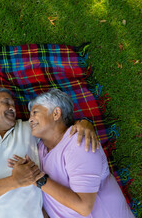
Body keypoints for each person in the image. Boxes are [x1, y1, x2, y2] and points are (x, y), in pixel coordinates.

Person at [0, 87, 98, 218]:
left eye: (13, 105)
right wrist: (14, 181)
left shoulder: (29, 129)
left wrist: (84, 123)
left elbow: (57, 127)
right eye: (6, 102)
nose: (13, 108)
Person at [9, 88, 134, 217]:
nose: (30, 119)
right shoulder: (39, 149)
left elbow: (84, 207)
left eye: (35, 112)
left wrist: (37, 178)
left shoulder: (79, 143)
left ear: (56, 113)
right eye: (30, 115)